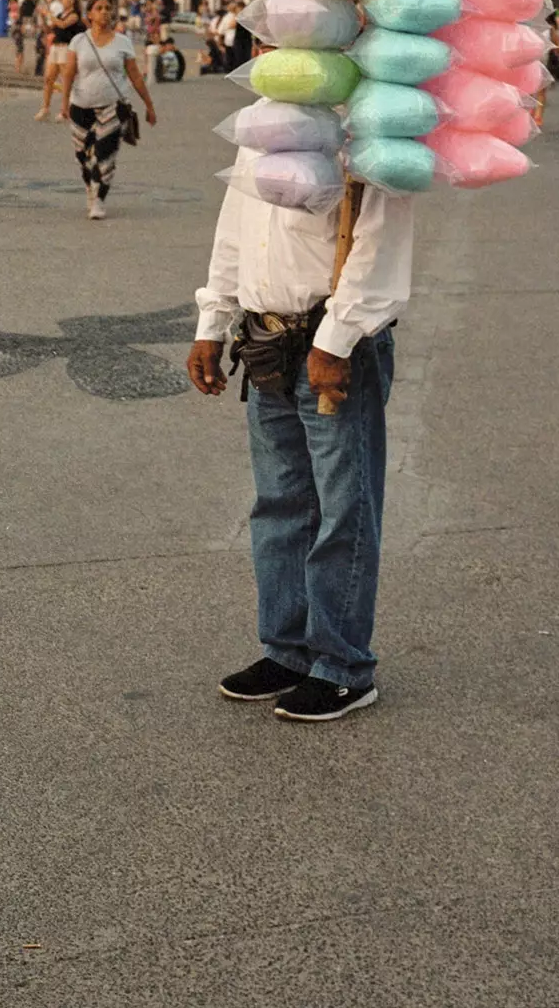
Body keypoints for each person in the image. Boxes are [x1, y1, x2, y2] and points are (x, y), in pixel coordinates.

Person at [188, 161, 414, 723]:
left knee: (344, 509)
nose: (263, 64)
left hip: (337, 345)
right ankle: (287, 651)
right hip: (266, 340)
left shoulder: (367, 130)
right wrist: (211, 324)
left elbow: (380, 242)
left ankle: (342, 667)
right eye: (257, 62)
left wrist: (336, 340)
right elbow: (236, 230)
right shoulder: (265, 124)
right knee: (279, 503)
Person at [65, 0, 156, 218]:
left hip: (112, 106)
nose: (104, 12)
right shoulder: (78, 41)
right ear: (90, 14)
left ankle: (99, 200)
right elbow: (68, 73)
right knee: (82, 156)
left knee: (105, 154)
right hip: (80, 105)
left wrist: (149, 106)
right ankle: (90, 187)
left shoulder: (123, 42)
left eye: (108, 7)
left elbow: (135, 76)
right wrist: (62, 104)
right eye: (99, 8)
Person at [35, 0, 83, 121]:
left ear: (72, 1)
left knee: (65, 81)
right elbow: (50, 29)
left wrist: (49, 14)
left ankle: (65, 110)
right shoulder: (60, 14)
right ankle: (45, 108)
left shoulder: (74, 15)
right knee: (48, 78)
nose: (62, 1)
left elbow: (63, 25)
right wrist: (43, 17)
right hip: (56, 47)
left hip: (66, 48)